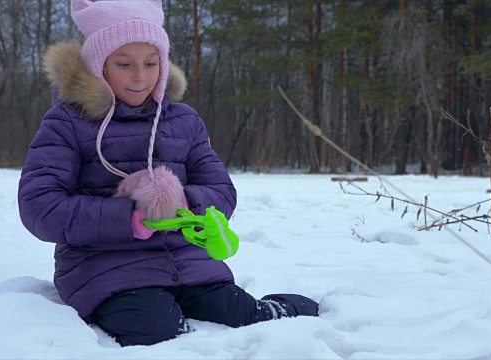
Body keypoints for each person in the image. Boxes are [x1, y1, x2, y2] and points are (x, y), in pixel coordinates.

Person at [18, 0, 319, 347]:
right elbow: (39, 207)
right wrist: (128, 217)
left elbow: (221, 189)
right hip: (106, 269)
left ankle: (283, 313)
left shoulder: (183, 120)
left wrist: (185, 202)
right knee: (157, 330)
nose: (139, 77)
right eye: (124, 64)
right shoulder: (67, 124)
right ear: (98, 64)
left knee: (240, 316)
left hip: (189, 263)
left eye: (151, 63)